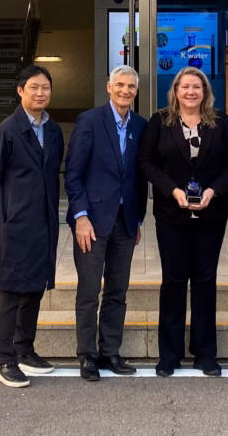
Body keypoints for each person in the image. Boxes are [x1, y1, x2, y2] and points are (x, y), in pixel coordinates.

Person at [138, 66, 228, 378]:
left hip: (212, 213)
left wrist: (214, 190)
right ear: (175, 90)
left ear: (205, 91)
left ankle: (204, 353)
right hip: (172, 214)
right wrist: (172, 190)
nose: (190, 92)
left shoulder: (220, 121)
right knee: (173, 281)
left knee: (204, 280)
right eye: (185, 87)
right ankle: (169, 354)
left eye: (197, 87)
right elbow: (146, 161)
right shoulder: (160, 121)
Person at [0, 65, 65, 388]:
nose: (40, 93)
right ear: (20, 91)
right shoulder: (8, 130)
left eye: (45, 88)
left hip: (44, 221)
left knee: (34, 286)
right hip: (15, 222)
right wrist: (6, 211)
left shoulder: (54, 130)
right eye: (34, 88)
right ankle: (4, 360)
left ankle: (25, 349)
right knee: (10, 289)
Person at [64, 65, 148, 382]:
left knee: (117, 291)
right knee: (88, 291)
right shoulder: (89, 121)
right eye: (120, 85)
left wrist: (137, 218)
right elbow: (72, 175)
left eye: (131, 87)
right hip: (93, 221)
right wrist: (80, 216)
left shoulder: (141, 125)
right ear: (109, 87)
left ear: (136, 92)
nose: (126, 91)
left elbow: (140, 177)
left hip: (125, 222)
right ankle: (86, 355)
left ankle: (110, 352)